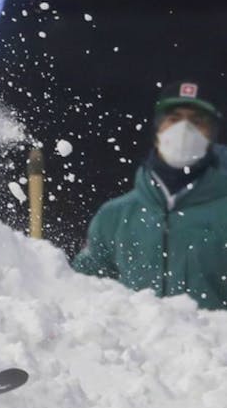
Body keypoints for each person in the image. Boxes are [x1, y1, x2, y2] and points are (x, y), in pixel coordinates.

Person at [72, 78, 227, 309]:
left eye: (197, 121)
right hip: (132, 345)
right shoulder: (114, 216)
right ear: (157, 129)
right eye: (174, 119)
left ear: (212, 134)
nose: (184, 129)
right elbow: (80, 293)